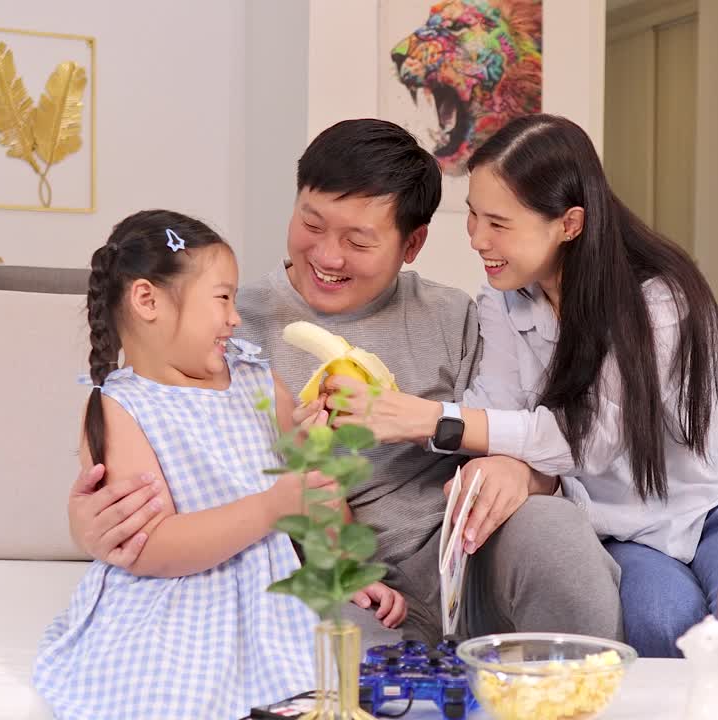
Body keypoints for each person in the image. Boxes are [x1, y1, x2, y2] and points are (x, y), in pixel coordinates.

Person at [65, 119, 623, 645]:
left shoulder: (457, 317)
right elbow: (153, 436)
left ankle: (584, 694)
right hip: (324, 576)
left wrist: (520, 471)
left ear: (412, 244)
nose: (327, 255)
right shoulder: (222, 324)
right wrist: (95, 528)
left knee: (551, 529)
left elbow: (535, 431)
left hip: (461, 556)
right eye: (311, 224)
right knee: (328, 646)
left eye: (358, 242)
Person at [324, 114, 718, 660]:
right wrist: (499, 459)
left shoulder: (658, 303)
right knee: (658, 630)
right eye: (471, 216)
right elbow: (496, 412)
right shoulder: (505, 302)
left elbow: (593, 440)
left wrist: (426, 418)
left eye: (499, 223)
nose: (477, 239)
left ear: (569, 223)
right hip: (624, 527)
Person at [34, 210, 344, 719]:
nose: (235, 317)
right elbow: (150, 547)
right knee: (168, 698)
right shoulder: (122, 408)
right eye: (222, 298)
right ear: (147, 300)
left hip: (269, 605)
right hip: (175, 606)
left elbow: (313, 497)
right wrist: (274, 505)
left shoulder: (256, 381)